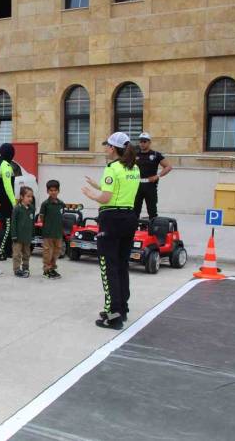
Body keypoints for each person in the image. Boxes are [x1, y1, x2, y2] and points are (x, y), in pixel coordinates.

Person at [82, 131, 140, 330]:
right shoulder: (133, 168)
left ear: (113, 149)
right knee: (122, 265)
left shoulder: (112, 168)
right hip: (129, 217)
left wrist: (92, 194)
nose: (105, 148)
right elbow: (117, 191)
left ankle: (112, 314)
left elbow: (106, 198)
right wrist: (97, 185)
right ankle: (122, 308)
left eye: (107, 145)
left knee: (108, 267)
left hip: (111, 219)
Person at [133, 132, 172, 219]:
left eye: (144, 141)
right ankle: (133, 230)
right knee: (135, 210)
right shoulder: (135, 154)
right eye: (141, 141)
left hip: (150, 185)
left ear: (149, 142)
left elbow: (168, 167)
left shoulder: (155, 155)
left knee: (152, 210)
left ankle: (153, 230)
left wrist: (157, 176)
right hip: (136, 185)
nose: (142, 143)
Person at [0, 143, 17, 260]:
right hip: (6, 201)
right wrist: (14, 202)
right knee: (6, 227)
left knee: (5, 225)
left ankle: (7, 251)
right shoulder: (6, 165)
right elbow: (8, 187)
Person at [39, 180, 66, 280]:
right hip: (48, 233)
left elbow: (61, 217)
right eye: (51, 190)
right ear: (47, 191)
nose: (53, 192)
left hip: (58, 233)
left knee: (56, 251)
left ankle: (52, 268)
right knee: (48, 252)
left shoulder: (61, 204)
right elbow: (42, 218)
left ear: (58, 191)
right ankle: (46, 270)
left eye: (55, 190)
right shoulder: (45, 204)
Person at [11, 186, 35, 278]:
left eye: (31, 196)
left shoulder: (31, 208)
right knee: (17, 254)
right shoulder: (17, 209)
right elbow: (13, 223)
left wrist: (32, 233)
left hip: (27, 236)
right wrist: (14, 235)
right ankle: (17, 270)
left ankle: (25, 268)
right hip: (18, 237)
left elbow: (32, 222)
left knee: (27, 254)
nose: (30, 198)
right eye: (28, 196)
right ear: (21, 197)